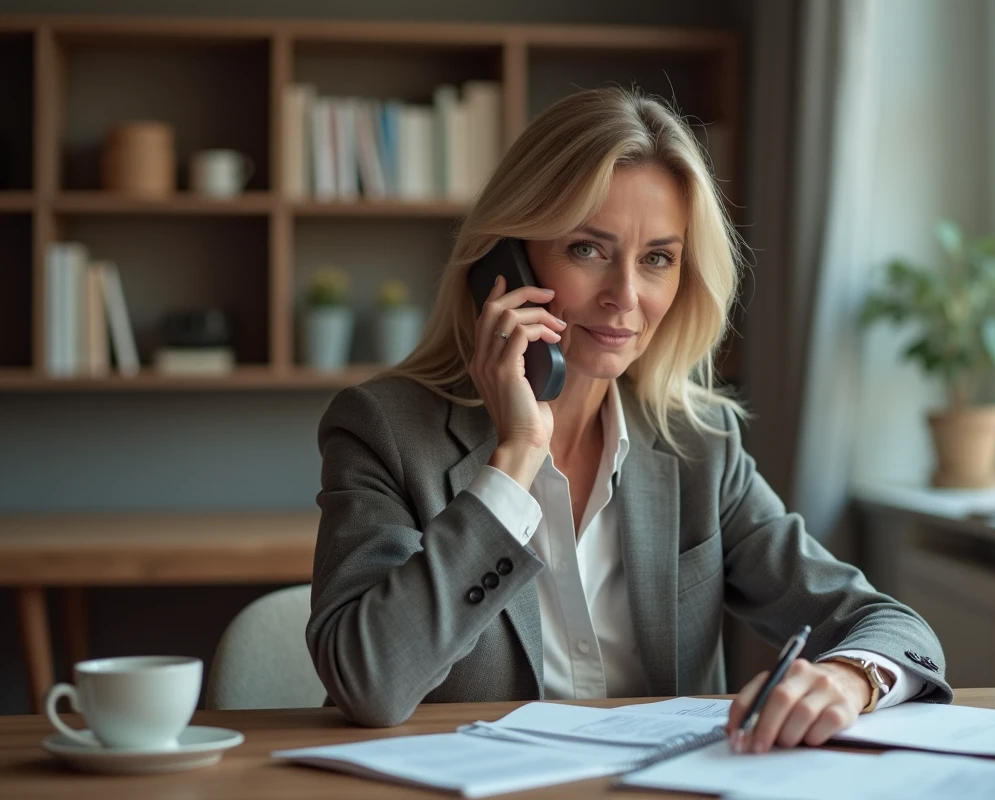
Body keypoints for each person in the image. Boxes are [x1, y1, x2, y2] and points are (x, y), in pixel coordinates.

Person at [307, 87, 952, 751]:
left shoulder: (701, 445)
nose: (625, 297)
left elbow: (890, 626)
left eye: (657, 259)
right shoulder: (384, 429)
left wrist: (850, 680)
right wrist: (515, 459)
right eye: (588, 249)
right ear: (505, 262)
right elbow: (369, 681)